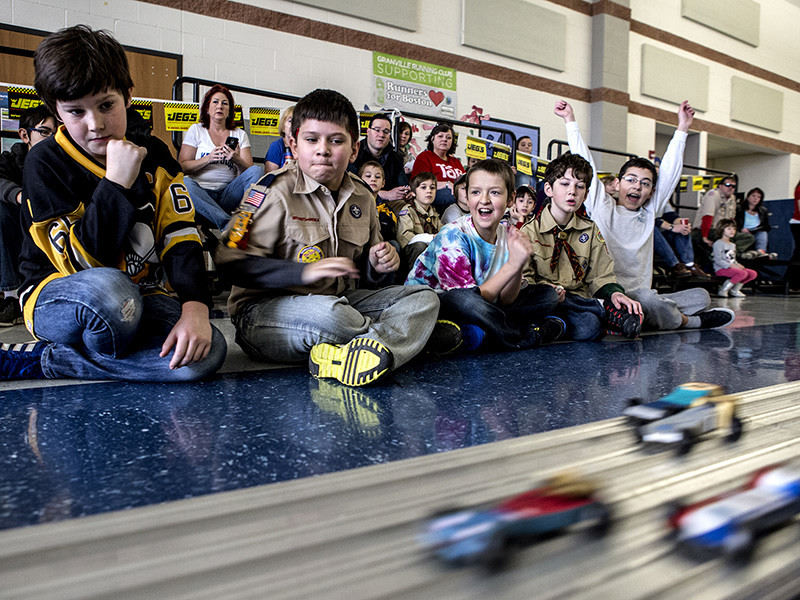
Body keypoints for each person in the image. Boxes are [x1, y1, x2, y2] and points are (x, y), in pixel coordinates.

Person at [0, 24, 226, 382]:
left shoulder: (155, 155)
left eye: (107, 105)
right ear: (57, 111)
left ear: (128, 95)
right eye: (76, 112)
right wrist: (116, 183)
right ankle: (44, 351)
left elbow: (180, 235)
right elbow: (83, 263)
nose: (96, 124)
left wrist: (195, 306)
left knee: (206, 351)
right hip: (62, 296)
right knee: (110, 293)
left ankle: (55, 361)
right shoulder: (44, 162)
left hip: (141, 297)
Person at [214, 88, 440, 387]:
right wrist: (302, 272)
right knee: (330, 315)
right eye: (311, 140)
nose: (323, 150)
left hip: (342, 301)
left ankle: (355, 353)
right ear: (293, 145)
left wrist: (378, 263)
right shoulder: (270, 191)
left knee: (423, 297)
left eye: (336, 141)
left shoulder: (363, 194)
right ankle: (407, 341)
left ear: (354, 149)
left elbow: (367, 273)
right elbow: (228, 262)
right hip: (264, 314)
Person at [555, 98, 734, 331]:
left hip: (642, 293)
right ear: (618, 184)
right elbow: (585, 160)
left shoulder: (649, 212)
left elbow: (669, 173)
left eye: (645, 183)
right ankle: (690, 322)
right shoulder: (602, 206)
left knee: (701, 296)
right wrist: (570, 121)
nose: (637, 187)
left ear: (651, 192)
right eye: (631, 180)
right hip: (610, 295)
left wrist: (682, 128)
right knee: (650, 302)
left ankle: (651, 315)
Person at [405, 158, 563, 352]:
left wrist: (519, 264)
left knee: (547, 295)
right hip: (436, 306)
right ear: (467, 197)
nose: (484, 200)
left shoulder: (508, 233)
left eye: (495, 192)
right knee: (465, 301)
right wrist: (512, 265)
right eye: (476, 192)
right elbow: (469, 298)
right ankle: (521, 335)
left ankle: (478, 333)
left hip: (487, 304)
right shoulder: (453, 234)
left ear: (510, 199)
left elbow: (506, 299)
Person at [521, 152, 643, 340]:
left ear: (585, 195)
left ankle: (557, 324)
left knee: (589, 328)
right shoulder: (529, 232)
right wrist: (548, 288)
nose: (572, 191)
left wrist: (615, 294)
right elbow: (525, 279)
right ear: (548, 189)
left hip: (576, 300)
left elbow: (600, 274)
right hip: (545, 298)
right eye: (564, 184)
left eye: (580, 187)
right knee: (548, 299)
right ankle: (602, 310)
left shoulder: (589, 229)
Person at [0, 104, 57, 327]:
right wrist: (19, 196)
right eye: (45, 132)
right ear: (25, 135)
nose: (52, 139)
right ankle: (12, 297)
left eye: (57, 132)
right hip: (22, 226)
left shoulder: (65, 160)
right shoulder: (12, 159)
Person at [178, 84, 263, 229]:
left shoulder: (239, 134)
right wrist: (208, 159)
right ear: (207, 107)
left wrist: (236, 158)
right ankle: (228, 225)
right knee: (185, 183)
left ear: (230, 110)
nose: (220, 106)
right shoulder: (196, 130)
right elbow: (183, 166)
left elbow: (250, 172)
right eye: (215, 102)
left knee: (257, 171)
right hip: (202, 193)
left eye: (225, 103)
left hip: (228, 194)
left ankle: (246, 218)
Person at [348, 113, 410, 206]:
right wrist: (385, 194)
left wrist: (406, 192)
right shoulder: (354, 153)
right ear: (368, 131)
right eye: (377, 130)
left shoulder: (396, 157)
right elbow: (350, 186)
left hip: (388, 205)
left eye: (386, 131)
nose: (381, 135)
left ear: (390, 135)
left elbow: (403, 183)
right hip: (358, 201)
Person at [693, 175, 754, 255]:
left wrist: (733, 231)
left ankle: (733, 253)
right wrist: (705, 237)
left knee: (748, 237)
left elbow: (731, 219)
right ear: (720, 186)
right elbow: (707, 217)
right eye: (727, 185)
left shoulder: (732, 198)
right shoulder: (713, 194)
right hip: (707, 230)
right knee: (725, 239)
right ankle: (727, 255)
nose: (730, 188)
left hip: (723, 231)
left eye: (733, 186)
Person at [410, 122, 465, 209]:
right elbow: (419, 183)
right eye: (440, 136)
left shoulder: (456, 161)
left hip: (459, 196)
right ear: (432, 139)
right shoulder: (425, 157)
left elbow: (464, 181)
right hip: (437, 194)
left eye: (448, 137)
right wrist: (446, 184)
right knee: (448, 195)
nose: (444, 139)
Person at [396, 171, 441, 268]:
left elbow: (441, 231)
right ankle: (416, 279)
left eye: (432, 188)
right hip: (411, 252)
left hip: (431, 249)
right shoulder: (408, 211)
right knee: (420, 246)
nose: (429, 191)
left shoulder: (433, 213)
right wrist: (429, 238)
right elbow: (404, 236)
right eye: (423, 187)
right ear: (413, 193)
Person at [654, 211, 710, 278]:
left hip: (663, 234)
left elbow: (671, 215)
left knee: (682, 227)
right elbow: (649, 219)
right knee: (652, 228)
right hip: (647, 235)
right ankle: (674, 264)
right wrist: (672, 227)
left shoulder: (661, 201)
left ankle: (689, 265)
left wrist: (682, 225)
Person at [713, 219, 758, 297]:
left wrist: (738, 265)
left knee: (752, 273)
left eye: (734, 229)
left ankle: (734, 290)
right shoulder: (718, 243)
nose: (732, 231)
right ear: (722, 230)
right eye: (729, 229)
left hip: (732, 267)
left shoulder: (732, 245)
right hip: (721, 269)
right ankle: (724, 289)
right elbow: (718, 260)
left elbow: (732, 259)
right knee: (742, 273)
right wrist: (731, 266)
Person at [359, 160, 398, 246]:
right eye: (368, 176)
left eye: (377, 177)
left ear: (383, 183)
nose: (373, 179)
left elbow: (391, 231)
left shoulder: (385, 209)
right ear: (359, 180)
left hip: (380, 246)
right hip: (360, 243)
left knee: (394, 244)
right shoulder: (355, 204)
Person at [736, 187, 775, 258]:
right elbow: (734, 223)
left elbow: (766, 226)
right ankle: (741, 253)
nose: (755, 198)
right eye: (753, 196)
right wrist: (741, 229)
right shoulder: (739, 208)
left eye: (758, 197)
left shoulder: (763, 210)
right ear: (748, 197)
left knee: (762, 233)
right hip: (742, 231)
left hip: (756, 231)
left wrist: (757, 229)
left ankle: (761, 252)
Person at [264, 105, 295, 173]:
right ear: (283, 126)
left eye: (298, 121)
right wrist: (282, 171)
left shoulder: (305, 147)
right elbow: (269, 177)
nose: (294, 125)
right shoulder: (276, 146)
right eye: (290, 121)